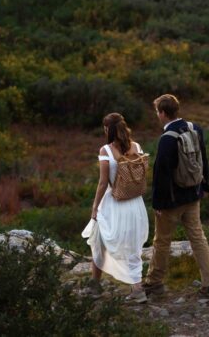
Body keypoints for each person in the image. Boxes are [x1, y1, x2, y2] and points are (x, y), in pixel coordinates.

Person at [143, 94, 209, 299]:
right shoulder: (195, 129)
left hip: (172, 200)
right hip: (193, 194)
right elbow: (203, 158)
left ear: (162, 113)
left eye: (157, 112)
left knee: (161, 241)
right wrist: (205, 185)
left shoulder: (167, 139)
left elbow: (161, 173)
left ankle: (154, 283)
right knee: (198, 237)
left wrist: (158, 202)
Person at [86, 113, 149, 303]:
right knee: (133, 246)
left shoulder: (105, 150)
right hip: (135, 204)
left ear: (108, 129)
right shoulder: (136, 147)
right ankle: (137, 289)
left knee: (99, 242)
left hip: (114, 203)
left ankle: (95, 287)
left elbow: (103, 182)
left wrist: (95, 207)